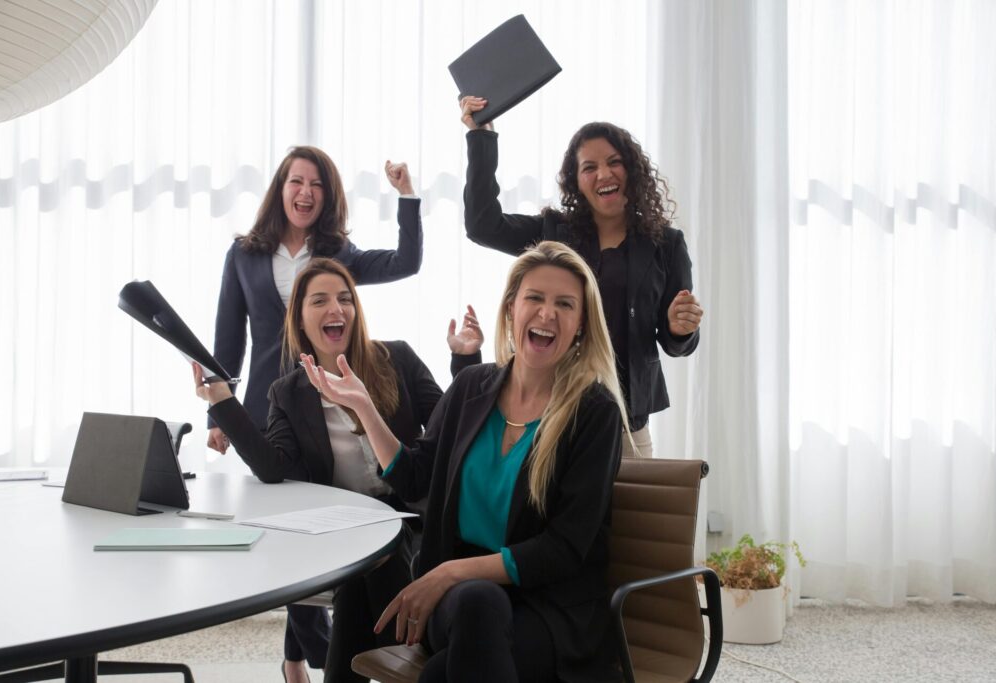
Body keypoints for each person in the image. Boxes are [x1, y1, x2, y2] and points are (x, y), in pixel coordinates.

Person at [302, 241, 629, 682]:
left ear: (581, 325)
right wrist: (364, 407)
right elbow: (415, 478)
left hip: (549, 609)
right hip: (458, 603)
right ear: (512, 308)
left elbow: (564, 550)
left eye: (564, 304)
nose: (547, 314)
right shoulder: (473, 386)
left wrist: (450, 573)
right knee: (477, 602)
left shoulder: (594, 411)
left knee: (444, 671)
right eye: (535, 298)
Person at [194, 259, 483, 683]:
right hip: (347, 527)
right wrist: (221, 402)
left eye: (345, 298)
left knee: (370, 567)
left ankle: (409, 660)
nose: (337, 309)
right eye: (321, 300)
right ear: (301, 319)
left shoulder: (395, 359)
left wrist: (465, 359)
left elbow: (450, 428)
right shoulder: (288, 392)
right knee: (362, 570)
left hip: (410, 516)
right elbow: (274, 468)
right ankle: (410, 660)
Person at [459, 97, 705, 458]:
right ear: (576, 182)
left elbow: (675, 343)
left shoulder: (666, 244)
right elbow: (483, 225)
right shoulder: (553, 233)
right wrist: (482, 137)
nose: (603, 174)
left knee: (631, 516)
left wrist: (680, 328)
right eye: (589, 167)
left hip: (626, 421)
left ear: (631, 171)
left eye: (614, 163)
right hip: (552, 411)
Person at [209, 145, 424, 454]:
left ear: (328, 196)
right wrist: (218, 415)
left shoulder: (341, 254)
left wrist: (406, 193)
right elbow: (228, 342)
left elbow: (406, 262)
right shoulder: (243, 255)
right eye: (297, 181)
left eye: (317, 185)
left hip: (327, 407)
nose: (306, 192)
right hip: (263, 406)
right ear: (280, 189)